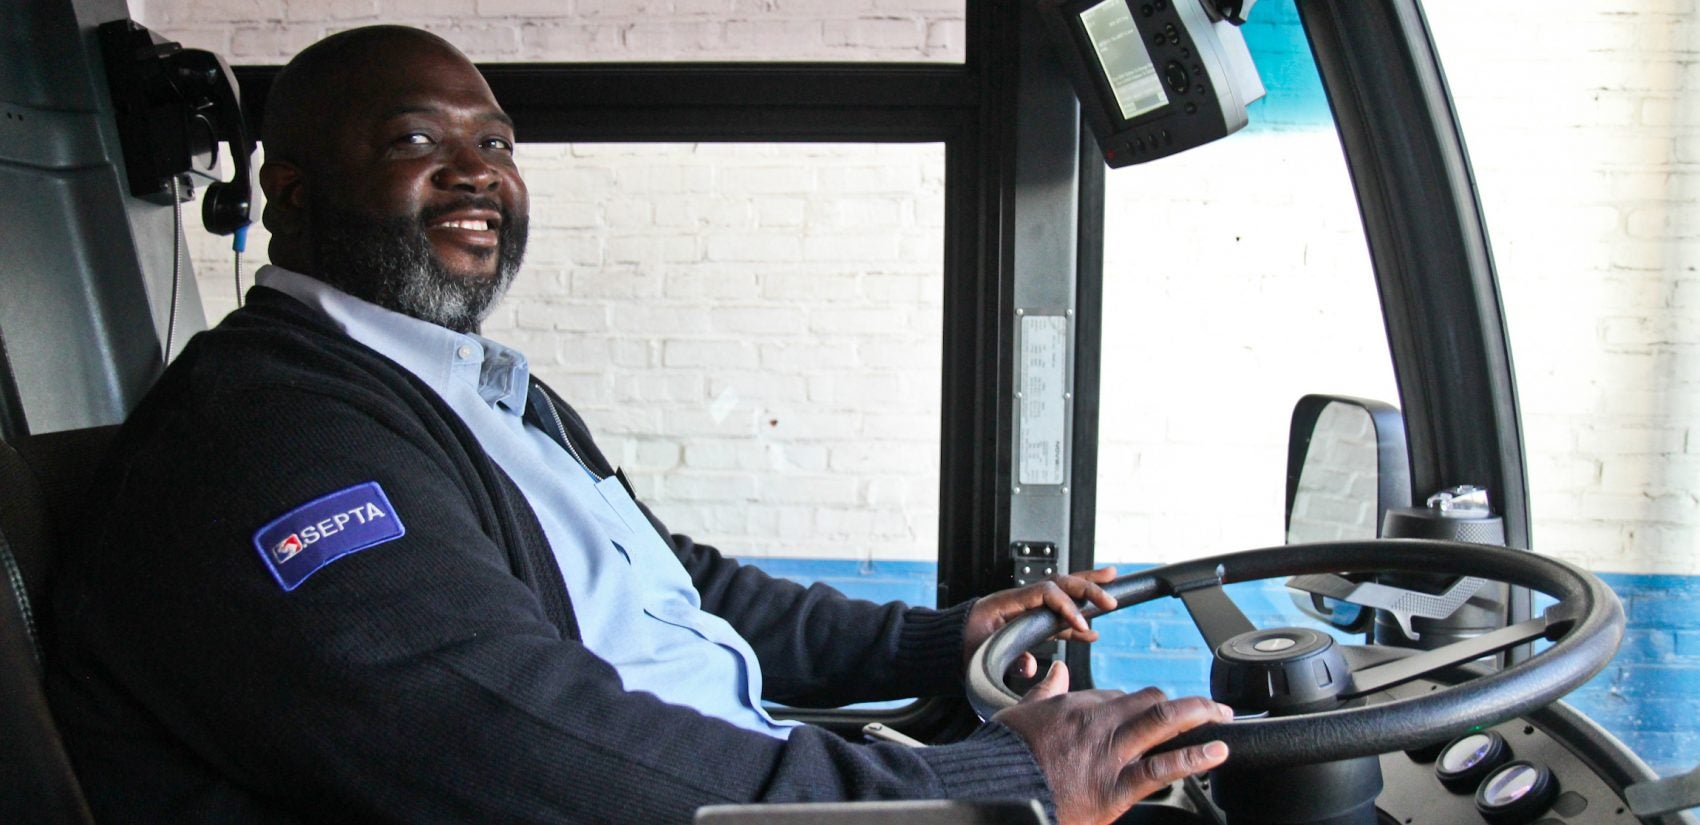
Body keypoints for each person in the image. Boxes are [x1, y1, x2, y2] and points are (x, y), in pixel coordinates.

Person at [47, 25, 1231, 824]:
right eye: (417, 141)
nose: (476, 174)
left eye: (496, 144)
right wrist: (981, 784)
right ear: (290, 192)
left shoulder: (474, 389)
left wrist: (933, 641)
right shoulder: (270, 438)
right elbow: (510, 748)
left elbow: (686, 587)